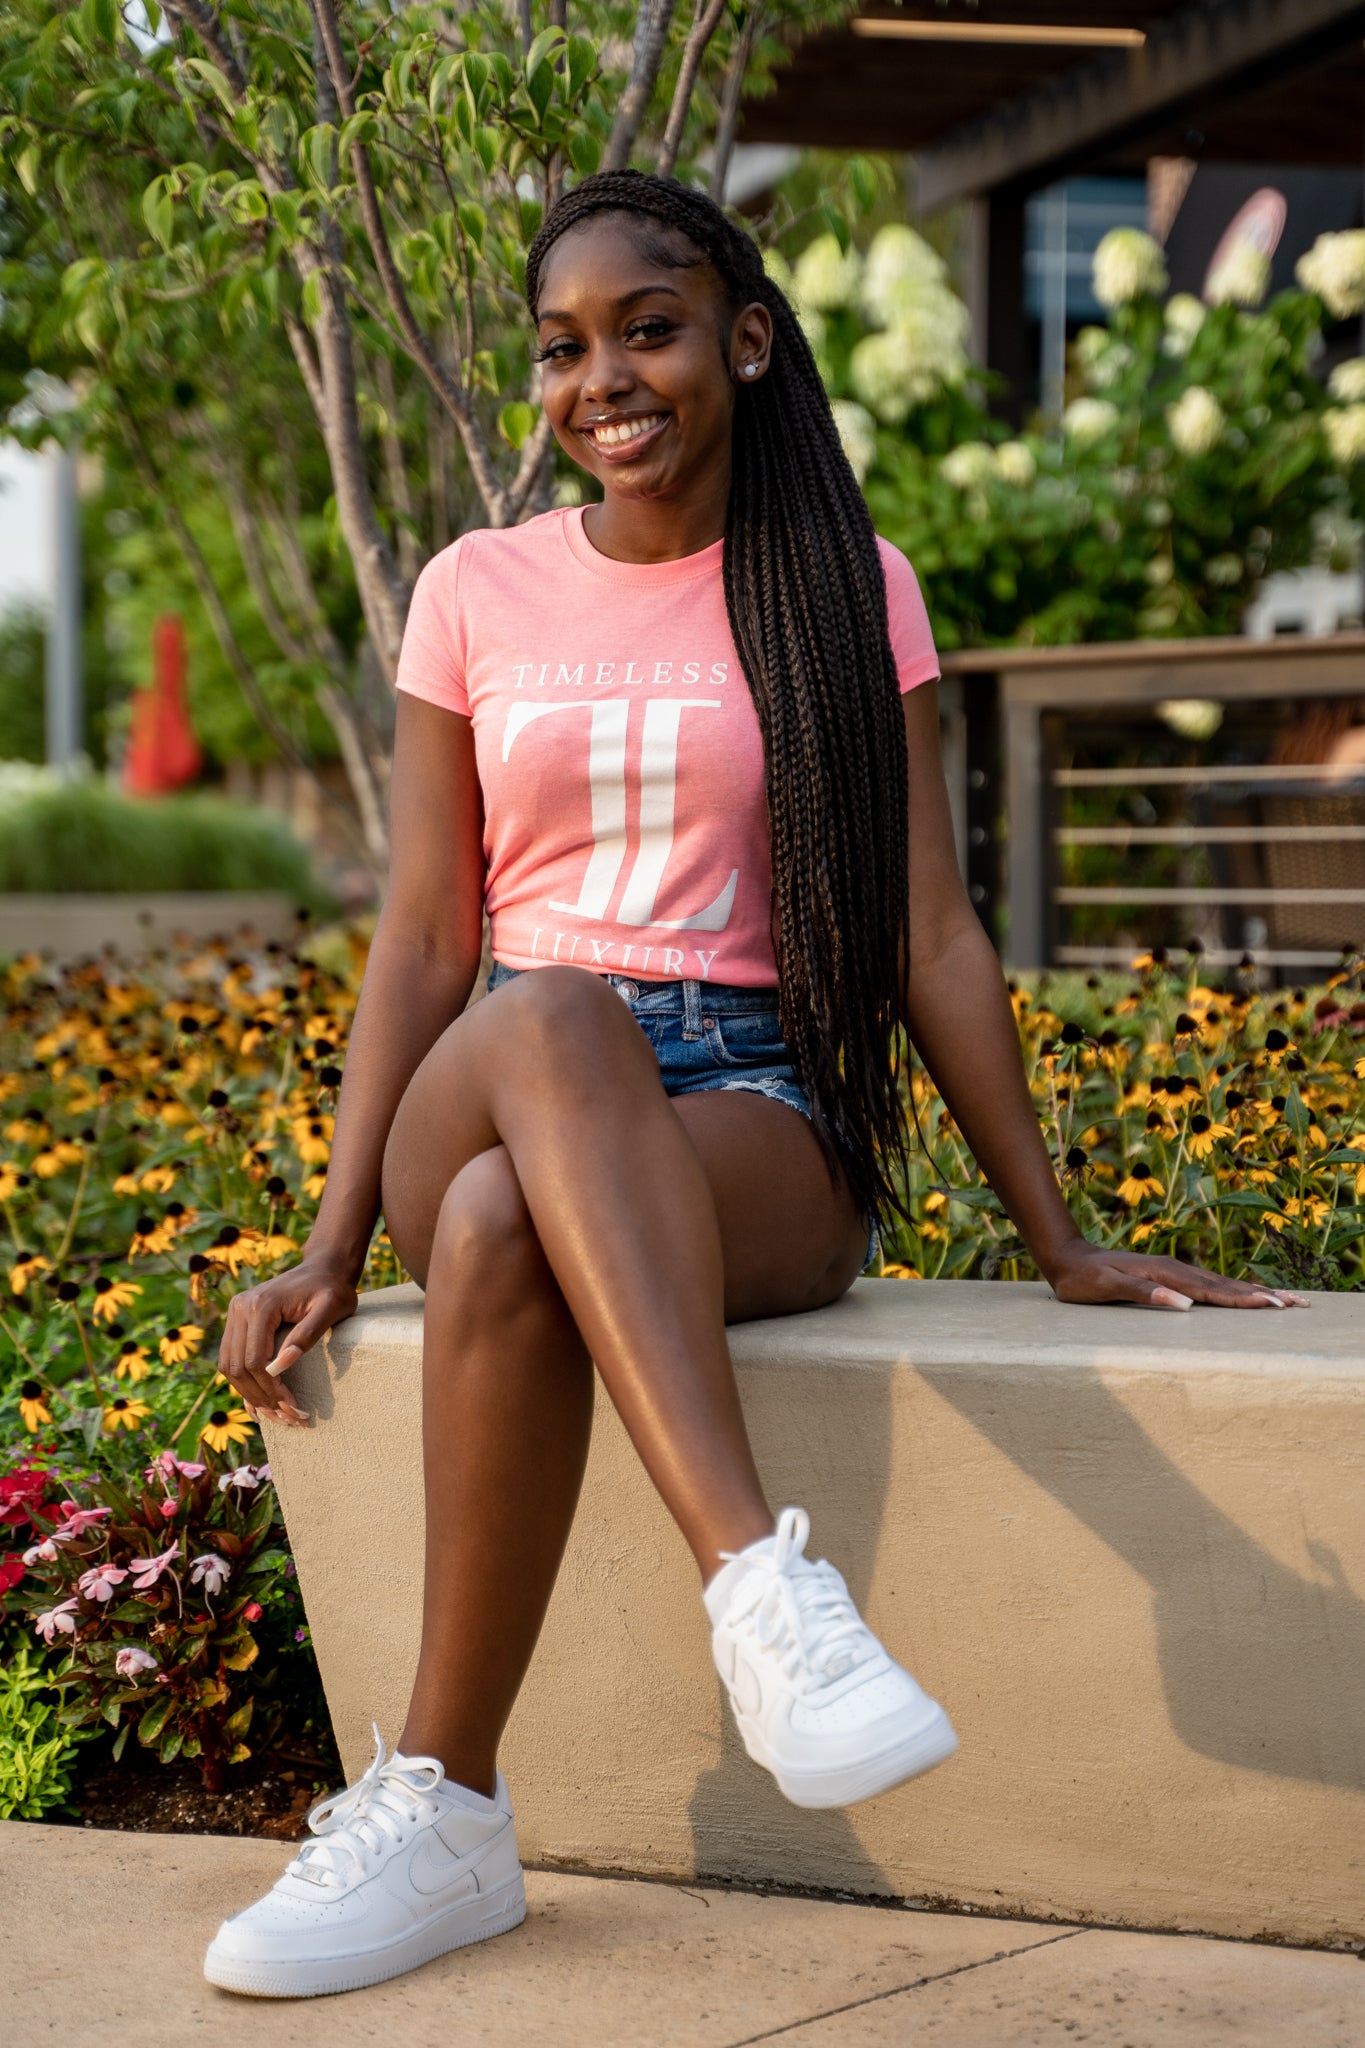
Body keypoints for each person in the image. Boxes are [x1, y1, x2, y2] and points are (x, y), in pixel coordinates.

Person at [202, 172, 1306, 2001]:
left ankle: (445, 1814)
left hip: (749, 1104)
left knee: (500, 1232)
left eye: (646, 328)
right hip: (499, 1063)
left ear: (744, 340)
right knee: (543, 1034)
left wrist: (1061, 1239)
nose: (603, 379)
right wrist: (325, 1245)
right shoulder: (475, 588)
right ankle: (761, 1595)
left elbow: (927, 935)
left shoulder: (845, 588)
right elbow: (418, 940)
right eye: (563, 349)